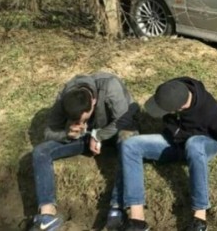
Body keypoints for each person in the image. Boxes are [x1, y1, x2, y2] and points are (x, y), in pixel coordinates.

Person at [120, 77, 217, 231]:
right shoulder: (172, 89)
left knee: (193, 144)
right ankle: (137, 221)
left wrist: (201, 138)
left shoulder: (210, 110)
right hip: (174, 143)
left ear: (179, 108)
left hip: (202, 145)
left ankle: (199, 220)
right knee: (130, 145)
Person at [29, 72, 139, 231]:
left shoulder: (110, 86)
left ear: (93, 101)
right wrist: (68, 133)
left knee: (129, 142)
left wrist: (99, 135)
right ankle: (47, 216)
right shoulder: (65, 98)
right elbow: (49, 132)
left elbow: (124, 120)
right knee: (41, 151)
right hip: (85, 138)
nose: (80, 123)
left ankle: (116, 209)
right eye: (76, 120)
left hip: (117, 129)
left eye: (83, 119)